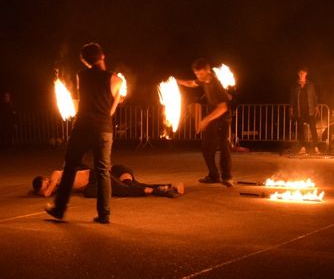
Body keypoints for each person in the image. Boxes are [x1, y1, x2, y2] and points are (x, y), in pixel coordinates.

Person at [44, 42, 123, 224]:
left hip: (83, 127)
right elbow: (111, 110)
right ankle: (104, 214)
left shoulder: (82, 76)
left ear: (86, 62)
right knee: (103, 171)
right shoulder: (117, 80)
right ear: (102, 55)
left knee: (70, 167)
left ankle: (59, 209)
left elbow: (88, 98)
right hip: (103, 129)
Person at [177, 58, 234, 187]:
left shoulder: (216, 84)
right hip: (213, 117)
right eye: (197, 74)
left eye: (201, 74)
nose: (199, 77)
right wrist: (177, 81)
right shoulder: (204, 80)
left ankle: (227, 177)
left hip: (222, 118)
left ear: (208, 70)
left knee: (223, 146)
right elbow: (192, 83)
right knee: (206, 148)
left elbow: (223, 107)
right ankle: (213, 175)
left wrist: (205, 121)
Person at [33, 164, 184, 198]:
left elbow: (47, 194)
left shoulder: (55, 175)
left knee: (124, 190)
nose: (48, 188)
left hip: (95, 175)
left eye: (45, 185)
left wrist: (40, 192)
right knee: (128, 186)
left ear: (45, 179)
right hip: (93, 181)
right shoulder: (59, 184)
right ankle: (170, 186)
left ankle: (163, 191)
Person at [289, 67, 320, 155]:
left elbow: (314, 96)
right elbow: (292, 98)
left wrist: (316, 107)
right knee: (301, 129)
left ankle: (315, 146)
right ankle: (302, 147)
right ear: (298, 74)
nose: (301, 74)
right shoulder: (295, 85)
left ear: (306, 73)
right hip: (299, 110)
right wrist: (291, 109)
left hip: (309, 109)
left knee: (313, 128)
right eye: (300, 72)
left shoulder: (310, 84)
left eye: (303, 72)